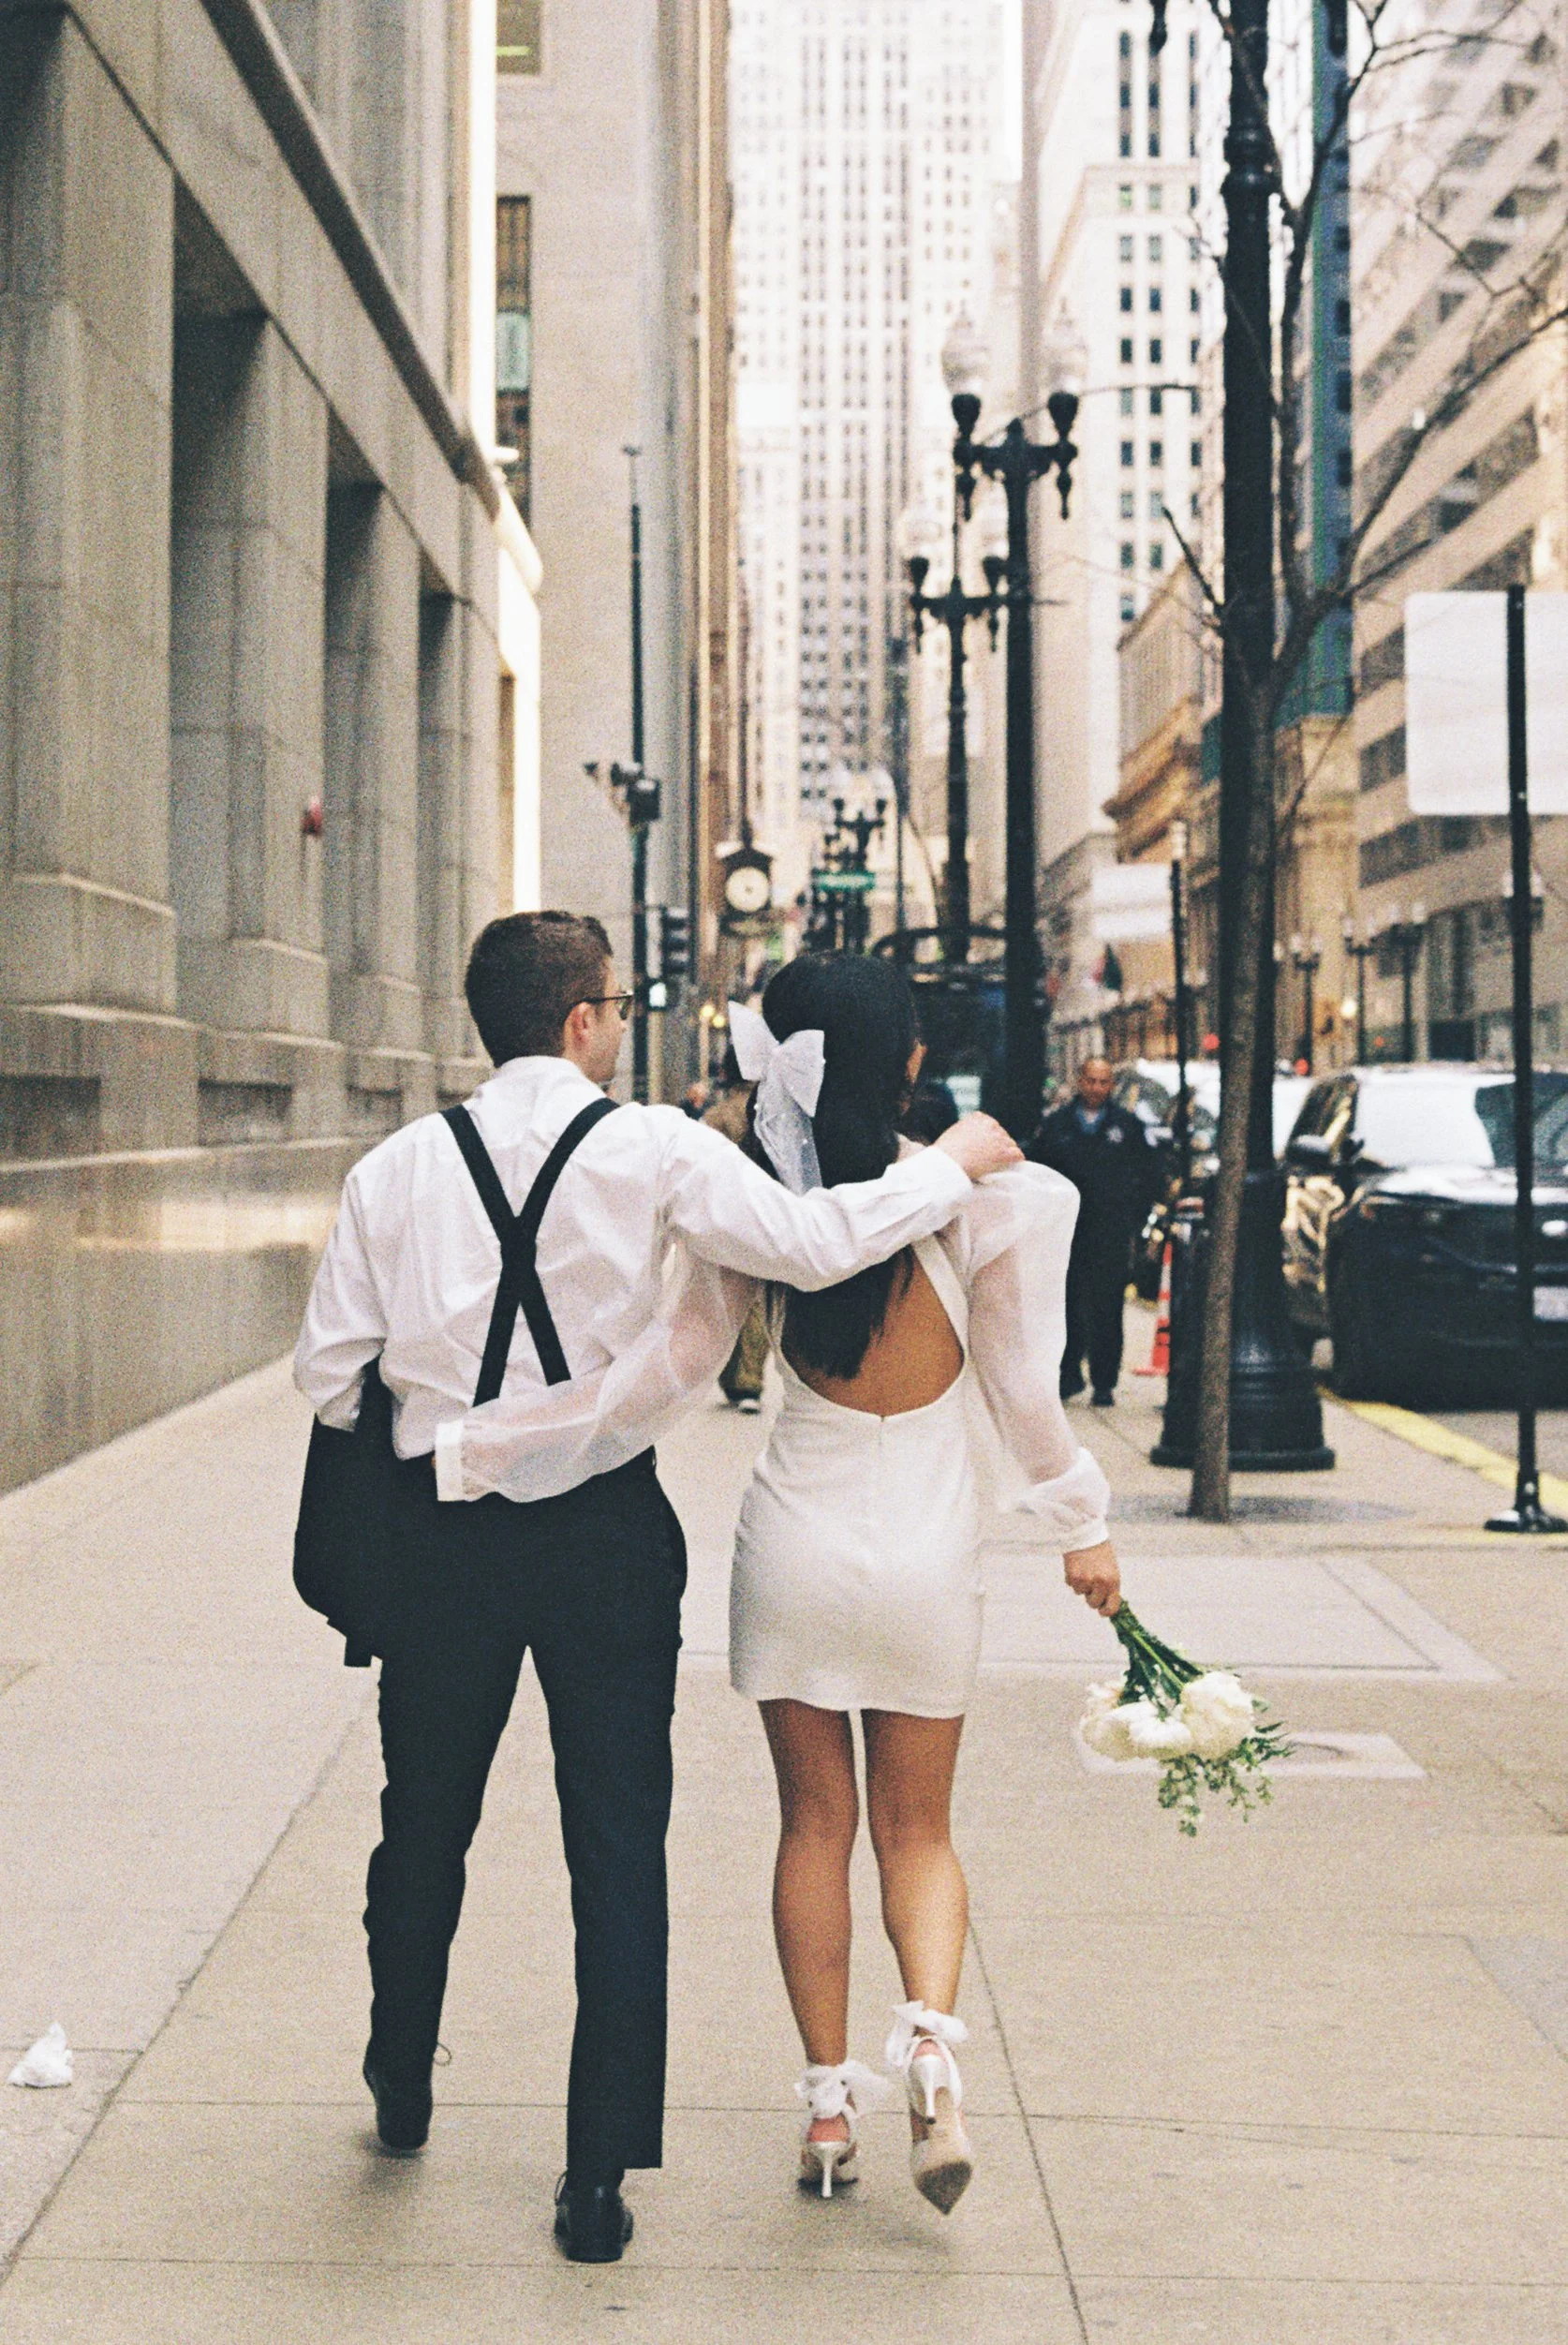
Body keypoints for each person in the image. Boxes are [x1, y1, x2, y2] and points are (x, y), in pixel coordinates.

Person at [292, 912, 1021, 2265]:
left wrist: (445, 1417)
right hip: (605, 1540)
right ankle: (594, 2177)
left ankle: (400, 2075)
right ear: (582, 1019)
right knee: (616, 1842)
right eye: (614, 1002)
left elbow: (328, 1369)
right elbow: (808, 1244)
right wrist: (958, 1167)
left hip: (443, 1538)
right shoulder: (652, 1147)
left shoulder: (391, 1170)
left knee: (422, 1818)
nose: (620, 1021)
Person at [727, 957, 1120, 2213]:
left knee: (811, 1825)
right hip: (925, 1557)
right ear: (905, 1057)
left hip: (790, 1538)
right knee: (919, 1830)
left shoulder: (763, 1204)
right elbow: (1020, 1397)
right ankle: (935, 2067)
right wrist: (1082, 1524)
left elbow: (678, 1353)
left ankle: (828, 2107)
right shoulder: (969, 1203)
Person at [1027, 1056, 1158, 1406]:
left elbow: (1146, 1176)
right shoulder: (1056, 1126)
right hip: (1065, 1232)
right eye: (1091, 1081)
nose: (1096, 1088)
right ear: (1079, 1081)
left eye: (1103, 1082)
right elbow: (1038, 1172)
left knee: (1107, 1307)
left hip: (1110, 1233)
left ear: (1111, 1086)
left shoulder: (1126, 1127)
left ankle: (1104, 1380)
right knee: (1065, 1305)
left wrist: (1135, 1221)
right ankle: (1067, 1375)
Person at [703, 1050, 768, 1413]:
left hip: (726, 1215)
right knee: (757, 1300)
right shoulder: (770, 1114)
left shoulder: (716, 1116)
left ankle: (731, 1378)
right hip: (763, 1212)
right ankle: (750, 1379)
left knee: (725, 1297)